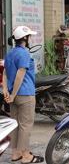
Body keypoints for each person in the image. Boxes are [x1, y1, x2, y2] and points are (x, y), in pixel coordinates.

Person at [2, 26, 44, 163]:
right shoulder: (24, 53)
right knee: (25, 126)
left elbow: (5, 73)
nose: (30, 38)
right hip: (25, 94)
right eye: (29, 36)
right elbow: (20, 74)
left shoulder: (9, 53)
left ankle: (15, 154)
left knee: (16, 125)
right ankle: (26, 156)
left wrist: (7, 92)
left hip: (14, 96)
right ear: (25, 38)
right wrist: (13, 94)